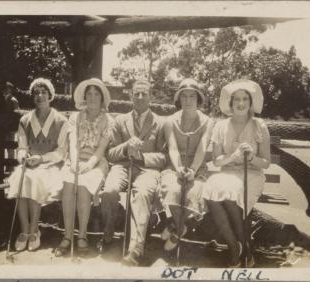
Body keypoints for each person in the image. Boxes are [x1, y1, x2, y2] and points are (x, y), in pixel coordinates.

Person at [201, 79, 271, 267]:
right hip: (227, 172)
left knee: (230, 192)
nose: (240, 103)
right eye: (236, 99)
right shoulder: (221, 126)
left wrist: (250, 158)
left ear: (251, 103)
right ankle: (236, 246)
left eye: (245, 99)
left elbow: (266, 163)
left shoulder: (259, 125)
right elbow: (216, 160)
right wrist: (234, 156)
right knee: (211, 190)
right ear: (230, 103)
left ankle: (244, 248)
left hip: (252, 175)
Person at [99, 80, 167, 266]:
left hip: (147, 170)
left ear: (151, 96)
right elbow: (111, 154)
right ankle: (108, 231)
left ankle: (135, 249)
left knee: (142, 194)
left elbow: (163, 157)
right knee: (109, 191)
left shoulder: (160, 123)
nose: (139, 97)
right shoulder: (120, 121)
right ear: (130, 95)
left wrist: (142, 156)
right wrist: (126, 148)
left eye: (144, 93)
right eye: (136, 93)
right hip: (122, 166)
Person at [6, 78, 68, 252]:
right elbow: (22, 146)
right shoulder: (25, 120)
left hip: (50, 166)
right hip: (30, 164)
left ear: (50, 95)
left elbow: (62, 152)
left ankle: (34, 230)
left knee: (35, 179)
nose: (39, 96)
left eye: (43, 92)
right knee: (20, 177)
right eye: (36, 93)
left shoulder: (61, 121)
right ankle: (24, 230)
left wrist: (41, 159)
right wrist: (23, 157)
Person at [54, 78, 114, 257]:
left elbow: (101, 149)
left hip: (96, 163)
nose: (93, 97)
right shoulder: (75, 117)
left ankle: (82, 235)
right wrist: (74, 163)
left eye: (97, 94)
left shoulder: (108, 120)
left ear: (102, 98)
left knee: (83, 186)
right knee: (68, 183)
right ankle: (67, 236)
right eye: (89, 94)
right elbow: (72, 143)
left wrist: (88, 165)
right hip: (75, 160)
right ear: (84, 97)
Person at [160, 78, 214, 251]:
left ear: (198, 99)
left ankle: (176, 227)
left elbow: (203, 148)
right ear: (179, 99)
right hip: (175, 166)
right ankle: (181, 227)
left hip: (197, 167)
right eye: (184, 96)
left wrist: (192, 170)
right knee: (173, 189)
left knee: (194, 192)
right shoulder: (170, 121)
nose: (189, 100)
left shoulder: (207, 122)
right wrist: (179, 169)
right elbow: (173, 148)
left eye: (193, 96)